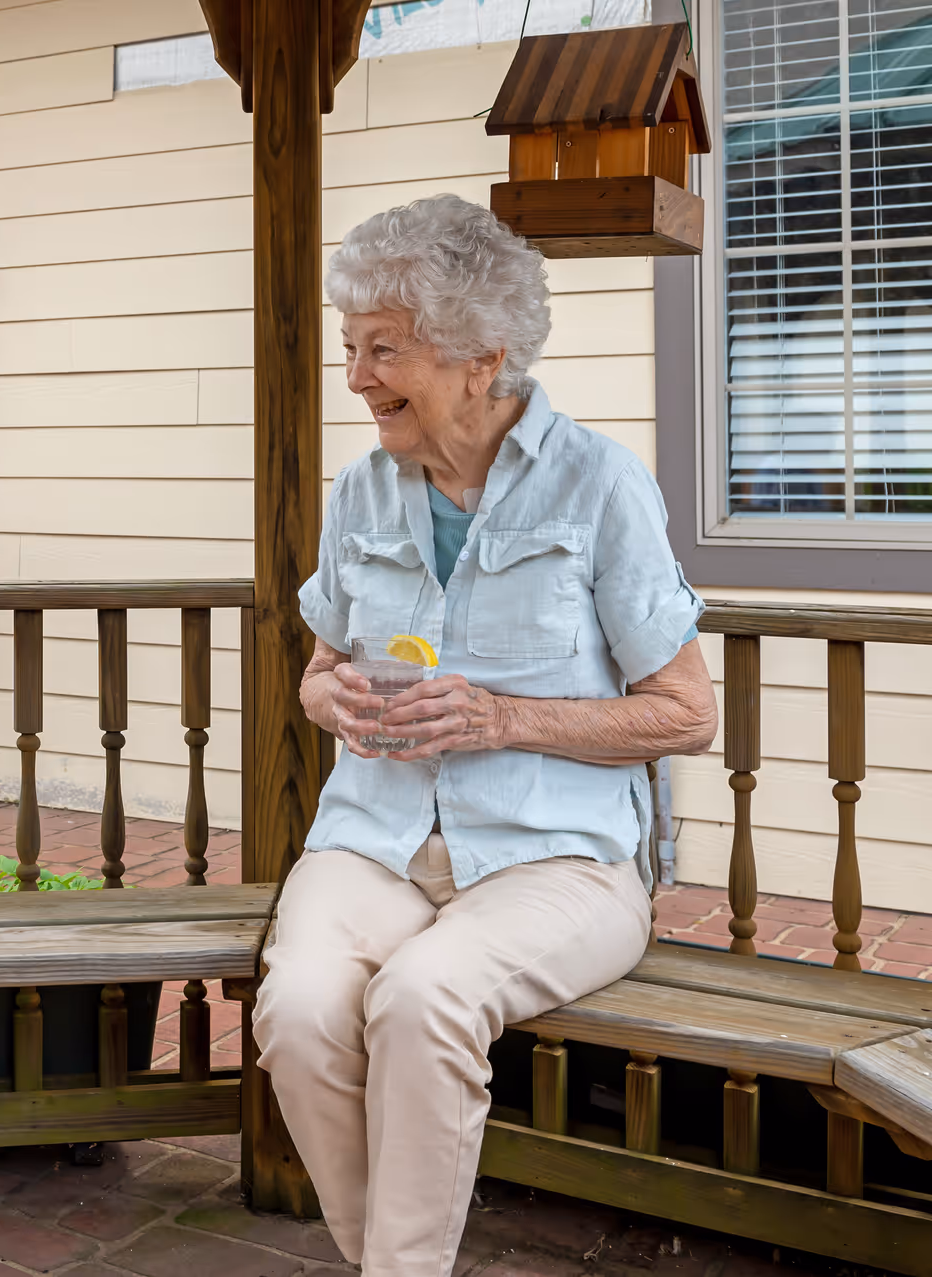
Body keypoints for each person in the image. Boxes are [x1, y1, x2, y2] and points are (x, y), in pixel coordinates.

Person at [252, 196, 717, 1277]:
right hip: (376, 839)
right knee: (303, 1007)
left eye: (386, 350)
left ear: (480, 359)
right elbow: (319, 671)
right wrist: (337, 703)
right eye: (351, 348)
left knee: (423, 996)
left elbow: (688, 713)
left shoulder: (599, 483)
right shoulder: (362, 488)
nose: (359, 376)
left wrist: (501, 716)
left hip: (557, 857)